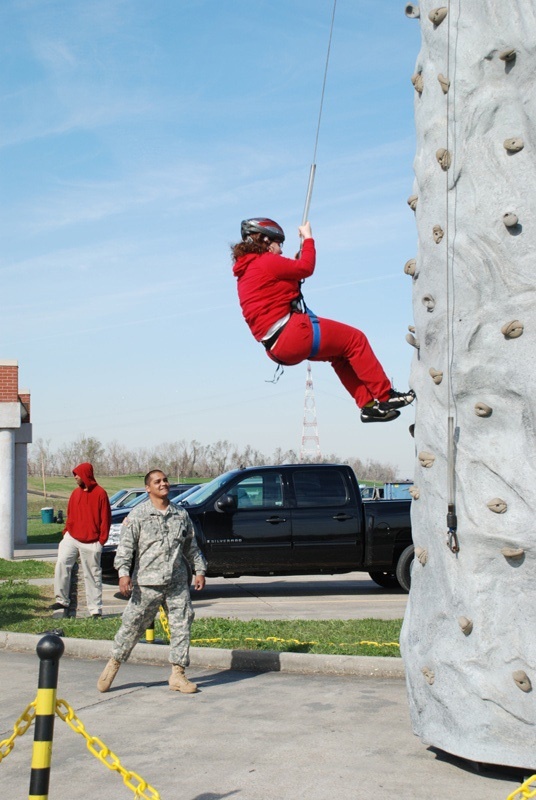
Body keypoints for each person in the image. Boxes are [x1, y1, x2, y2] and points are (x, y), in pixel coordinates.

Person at [232, 218, 415, 423]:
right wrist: (308, 239)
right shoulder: (265, 261)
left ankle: (369, 406)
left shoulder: (247, 271)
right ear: (266, 240)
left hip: (276, 348)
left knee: (339, 355)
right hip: (292, 334)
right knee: (355, 339)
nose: (281, 251)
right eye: (278, 244)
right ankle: (386, 396)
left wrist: (293, 265)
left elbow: (282, 284)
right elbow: (306, 268)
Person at [97, 469, 207, 694]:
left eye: (165, 480)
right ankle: (114, 664)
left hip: (176, 582)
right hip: (147, 582)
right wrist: (123, 573)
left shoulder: (180, 515)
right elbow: (126, 547)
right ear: (148, 488)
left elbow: (191, 546)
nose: (163, 484)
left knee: (181, 625)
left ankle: (178, 674)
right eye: (157, 481)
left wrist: (199, 570)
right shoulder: (138, 515)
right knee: (132, 626)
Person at [50, 462, 111, 618]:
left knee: (92, 575)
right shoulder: (75, 493)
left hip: (92, 541)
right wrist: (66, 532)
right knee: (62, 564)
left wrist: (101, 541)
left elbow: (106, 519)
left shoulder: (100, 494)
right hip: (72, 537)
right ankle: (62, 600)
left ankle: (95, 609)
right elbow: (70, 514)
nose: (75, 477)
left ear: (85, 474)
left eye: (77, 474)